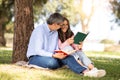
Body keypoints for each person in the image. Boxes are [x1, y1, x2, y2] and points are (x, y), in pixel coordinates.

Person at [26, 13, 104, 77]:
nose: (61, 27)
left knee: (68, 57)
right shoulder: (39, 31)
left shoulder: (55, 32)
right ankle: (64, 63)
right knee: (53, 63)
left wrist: (60, 54)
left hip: (51, 56)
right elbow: (38, 50)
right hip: (35, 57)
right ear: (55, 24)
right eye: (60, 25)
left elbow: (56, 48)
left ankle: (86, 72)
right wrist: (54, 55)